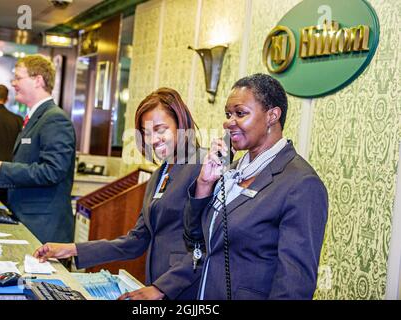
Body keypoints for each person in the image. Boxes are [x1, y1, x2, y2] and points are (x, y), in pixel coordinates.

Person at [34, 88, 204, 300]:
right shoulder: (159, 174)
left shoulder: (202, 166)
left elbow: (206, 245)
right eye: (147, 133)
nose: (153, 140)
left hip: (186, 289)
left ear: (181, 124)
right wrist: (71, 249)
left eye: (161, 129)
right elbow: (135, 241)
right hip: (158, 283)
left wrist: (160, 289)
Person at [183, 73, 328, 300]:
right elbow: (194, 238)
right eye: (228, 114)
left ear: (272, 116)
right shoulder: (232, 170)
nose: (229, 122)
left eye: (240, 113)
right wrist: (204, 184)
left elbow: (294, 285)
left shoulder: (301, 183)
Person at [0, 54, 76, 244]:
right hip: (28, 222)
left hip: (43, 228)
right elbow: (27, 169)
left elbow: (53, 171)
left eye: (18, 77)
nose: (13, 84)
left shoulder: (54, 118)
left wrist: (3, 170)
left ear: (38, 80)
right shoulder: (33, 118)